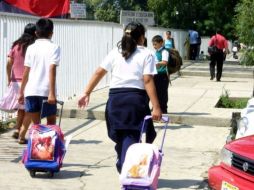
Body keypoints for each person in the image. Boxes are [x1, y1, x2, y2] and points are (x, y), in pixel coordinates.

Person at [78, 21, 162, 173]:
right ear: (142, 37)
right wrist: (156, 106)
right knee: (133, 135)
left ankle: (122, 161)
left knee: (122, 135)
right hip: (134, 101)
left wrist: (86, 92)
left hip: (115, 100)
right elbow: (148, 80)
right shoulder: (147, 54)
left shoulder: (115, 52)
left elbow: (98, 72)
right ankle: (125, 166)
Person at [18, 18, 60, 144]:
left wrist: (21, 92)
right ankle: (47, 152)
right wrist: (52, 93)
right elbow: (52, 68)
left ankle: (37, 153)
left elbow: (26, 71)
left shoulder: (31, 48)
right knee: (51, 123)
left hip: (31, 91)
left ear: (36, 33)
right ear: (51, 33)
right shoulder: (54, 47)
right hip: (46, 91)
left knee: (36, 125)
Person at [6, 23, 36, 143]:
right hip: (28, 82)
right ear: (36, 32)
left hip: (15, 81)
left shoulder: (16, 45)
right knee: (29, 110)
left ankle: (18, 130)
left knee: (21, 109)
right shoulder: (33, 46)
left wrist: (9, 78)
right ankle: (23, 135)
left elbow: (9, 62)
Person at [152, 35, 170, 114]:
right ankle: (156, 108)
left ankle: (163, 109)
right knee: (156, 92)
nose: (154, 46)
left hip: (162, 75)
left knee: (162, 93)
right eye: (153, 44)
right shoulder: (157, 51)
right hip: (156, 74)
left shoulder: (164, 51)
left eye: (155, 44)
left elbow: (165, 62)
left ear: (161, 43)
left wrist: (156, 64)